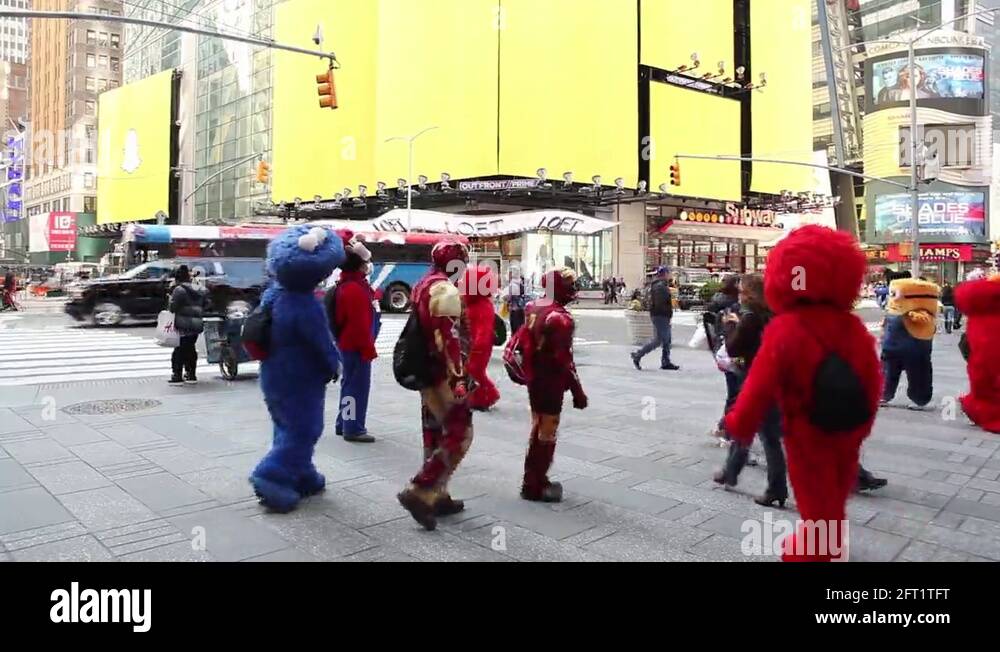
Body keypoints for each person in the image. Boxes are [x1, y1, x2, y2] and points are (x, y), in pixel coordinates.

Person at [723, 226, 882, 562]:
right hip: (848, 427)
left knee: (814, 491)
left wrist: (738, 422)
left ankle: (817, 550)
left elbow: (759, 385)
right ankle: (829, 540)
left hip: (808, 427)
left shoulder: (787, 327)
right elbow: (873, 379)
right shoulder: (852, 326)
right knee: (836, 488)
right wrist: (863, 424)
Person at [250, 226, 345, 513]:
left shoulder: (274, 294)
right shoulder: (305, 305)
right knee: (305, 429)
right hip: (300, 378)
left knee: (285, 425)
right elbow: (322, 344)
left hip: (273, 374)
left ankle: (302, 474)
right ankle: (272, 476)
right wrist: (334, 365)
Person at [397, 242, 474, 531]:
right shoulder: (445, 290)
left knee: (433, 430)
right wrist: (459, 381)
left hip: (425, 371)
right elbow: (449, 341)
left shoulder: (422, 285)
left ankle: (438, 494)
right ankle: (421, 490)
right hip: (443, 374)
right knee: (460, 433)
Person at [712, 273, 787, 507]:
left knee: (767, 437)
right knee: (745, 426)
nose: (739, 294)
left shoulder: (750, 317)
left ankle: (777, 487)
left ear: (749, 294)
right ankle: (730, 472)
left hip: (756, 380)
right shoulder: (773, 313)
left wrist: (731, 325)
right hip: (771, 377)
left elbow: (734, 348)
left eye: (742, 290)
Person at [519, 267, 588, 502]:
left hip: (534, 376)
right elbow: (564, 359)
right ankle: (535, 483)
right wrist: (578, 391)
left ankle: (533, 478)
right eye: (569, 285)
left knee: (538, 425)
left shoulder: (533, 307)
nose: (573, 289)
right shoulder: (560, 317)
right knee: (547, 429)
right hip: (550, 380)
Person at [326, 232, 377, 444]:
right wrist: (367, 349)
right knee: (356, 388)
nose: (369, 266)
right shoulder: (354, 289)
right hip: (355, 346)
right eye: (366, 262)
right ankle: (353, 428)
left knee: (349, 385)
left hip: (347, 344)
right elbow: (359, 325)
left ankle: (344, 423)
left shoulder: (347, 285)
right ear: (359, 266)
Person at [881, 277, 939, 410]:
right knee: (887, 372)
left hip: (914, 348)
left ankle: (920, 399)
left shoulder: (921, 311)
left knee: (918, 374)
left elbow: (925, 320)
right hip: (891, 348)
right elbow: (887, 325)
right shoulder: (893, 310)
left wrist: (915, 315)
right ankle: (883, 394)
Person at [956, 273, 1000, 433]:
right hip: (987, 355)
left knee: (985, 385)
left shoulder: (977, 305)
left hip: (981, 356)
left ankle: (975, 407)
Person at [461, 262, 501, 412]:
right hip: (473, 345)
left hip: (479, 347)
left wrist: (478, 348)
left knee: (474, 371)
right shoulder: (473, 303)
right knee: (474, 372)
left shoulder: (482, 306)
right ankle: (480, 397)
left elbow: (484, 331)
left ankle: (489, 394)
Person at [630, 266, 679, 371]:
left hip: (661, 315)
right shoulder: (660, 286)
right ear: (665, 274)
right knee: (659, 340)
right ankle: (638, 355)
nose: (670, 275)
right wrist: (666, 312)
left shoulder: (659, 285)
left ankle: (665, 361)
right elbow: (660, 302)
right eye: (669, 273)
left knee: (667, 339)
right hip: (660, 315)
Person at [168, 265, 207, 385]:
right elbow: (206, 303)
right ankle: (191, 374)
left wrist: (170, 299)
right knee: (190, 348)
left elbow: (173, 308)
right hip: (196, 323)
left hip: (183, 324)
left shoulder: (179, 290)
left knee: (179, 349)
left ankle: (177, 375)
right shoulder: (198, 288)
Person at [504, 269, 528, 335]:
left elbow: (508, 297)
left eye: (508, 274)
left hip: (514, 311)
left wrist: (504, 297)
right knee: (520, 330)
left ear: (511, 275)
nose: (506, 276)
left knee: (515, 332)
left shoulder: (512, 285)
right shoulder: (521, 283)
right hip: (521, 310)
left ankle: (515, 344)